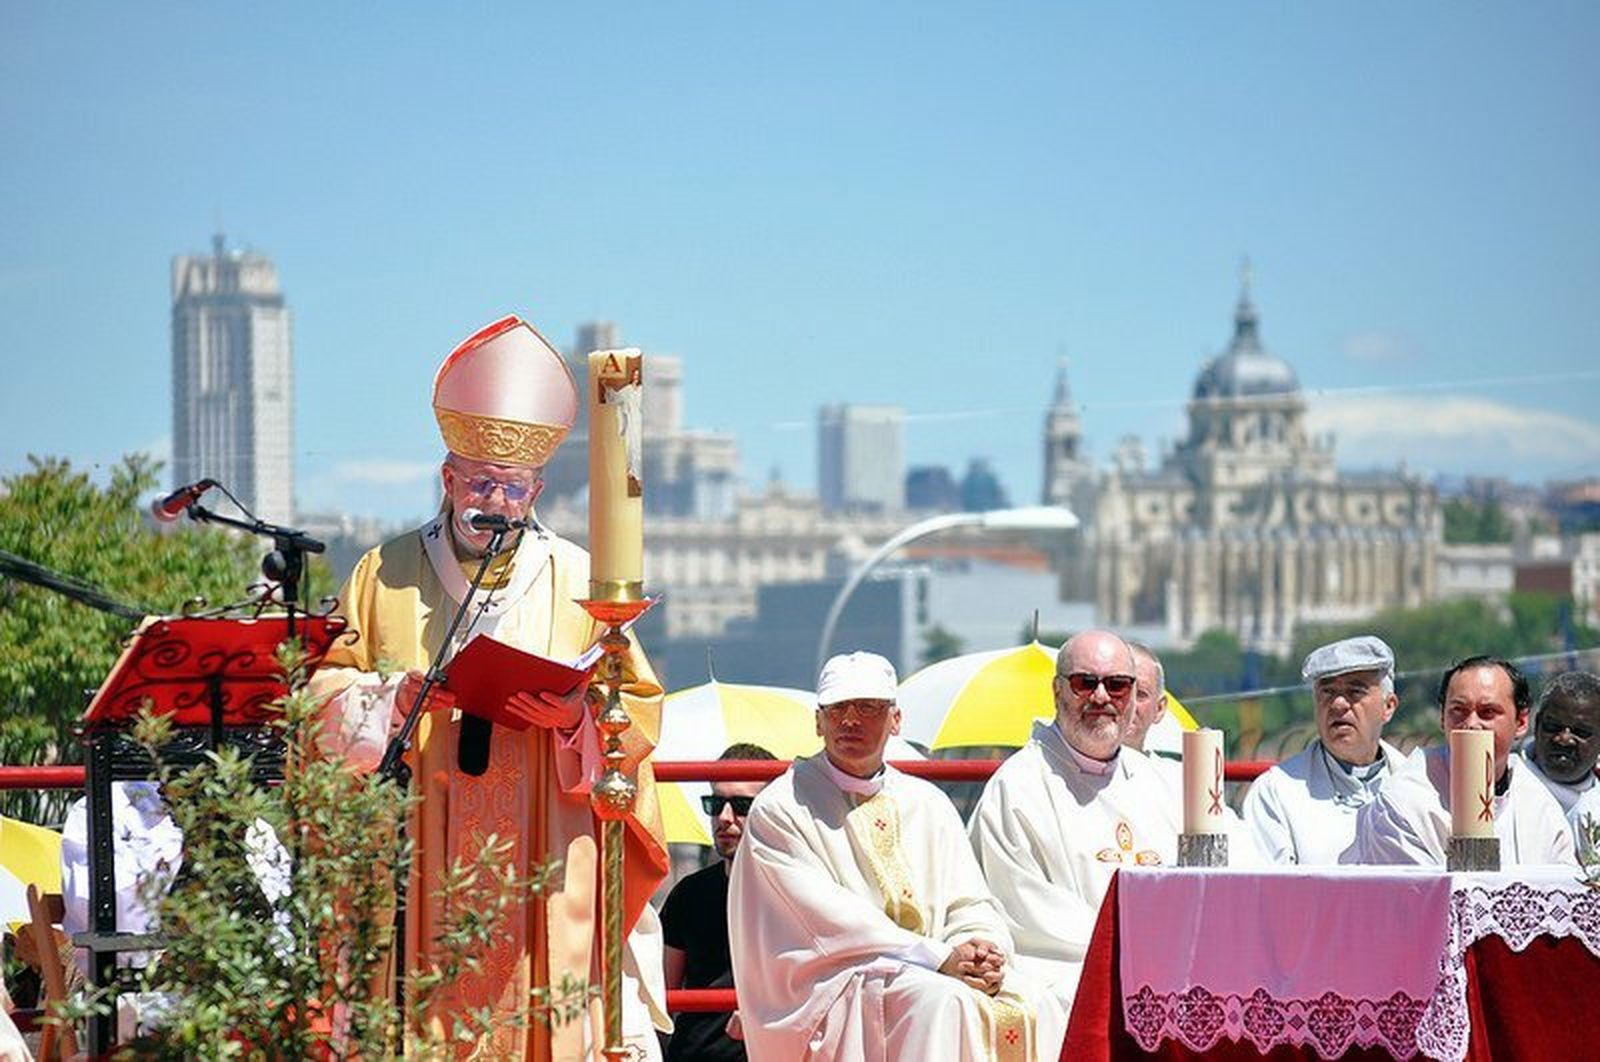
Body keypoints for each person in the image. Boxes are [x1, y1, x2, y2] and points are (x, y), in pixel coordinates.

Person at [310, 315, 670, 1059]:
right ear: (447, 478)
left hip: (543, 851)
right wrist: (389, 702)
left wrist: (577, 716)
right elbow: (319, 695)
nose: (496, 501)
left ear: (536, 487)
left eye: (512, 487)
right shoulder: (384, 574)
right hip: (419, 856)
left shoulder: (580, 579)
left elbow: (632, 711)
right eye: (480, 482)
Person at [728, 652, 1064, 1061]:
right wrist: (940, 958)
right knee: (941, 1002)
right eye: (837, 709)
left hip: (932, 967)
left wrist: (981, 947)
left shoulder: (927, 802)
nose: (850, 721)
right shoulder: (782, 807)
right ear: (818, 721)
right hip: (839, 984)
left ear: (895, 719)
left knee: (1039, 1001)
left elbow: (969, 901)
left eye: (868, 708)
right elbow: (834, 925)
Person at [968, 630, 1250, 1013]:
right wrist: (1140, 950)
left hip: (1172, 965)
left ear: (1134, 697)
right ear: (1057, 691)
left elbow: (1241, 866)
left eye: (1117, 685)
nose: (1102, 697)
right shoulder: (1018, 786)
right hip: (1072, 972)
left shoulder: (1162, 780)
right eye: (1086, 683)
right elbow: (1030, 914)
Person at [1348, 656, 1575, 866]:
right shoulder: (1404, 803)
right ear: (1442, 717)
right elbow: (1420, 898)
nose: (1472, 724)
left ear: (1521, 721)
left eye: (1488, 712)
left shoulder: (1538, 802)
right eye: (1459, 710)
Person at [1242, 636, 1406, 864]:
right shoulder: (1276, 793)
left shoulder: (1416, 786)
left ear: (1388, 707)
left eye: (1355, 691)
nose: (1338, 704)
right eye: (1327, 692)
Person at [660, 743, 776, 1061]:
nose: (724, 818)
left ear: (771, 808)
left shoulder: (796, 892)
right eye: (715, 803)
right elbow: (662, 999)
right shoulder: (688, 892)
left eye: (740, 805)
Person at [1516, 671, 1600, 839]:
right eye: (1553, 726)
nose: (1564, 739)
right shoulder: (1505, 785)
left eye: (1581, 732)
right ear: (1537, 724)